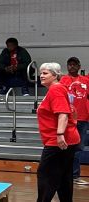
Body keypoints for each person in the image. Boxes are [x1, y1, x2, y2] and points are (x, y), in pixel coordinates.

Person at [35, 62, 81, 202]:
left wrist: (60, 135)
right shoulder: (58, 89)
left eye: (45, 73)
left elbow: (63, 113)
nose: (41, 76)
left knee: (46, 177)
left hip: (58, 142)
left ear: (55, 76)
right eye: (41, 73)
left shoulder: (56, 89)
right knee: (63, 178)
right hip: (67, 140)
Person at [60, 57, 89, 185]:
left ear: (79, 66)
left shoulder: (86, 80)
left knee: (78, 148)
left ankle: (74, 176)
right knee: (66, 147)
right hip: (69, 118)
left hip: (83, 118)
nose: (71, 67)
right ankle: (62, 174)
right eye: (69, 64)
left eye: (74, 64)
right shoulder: (63, 80)